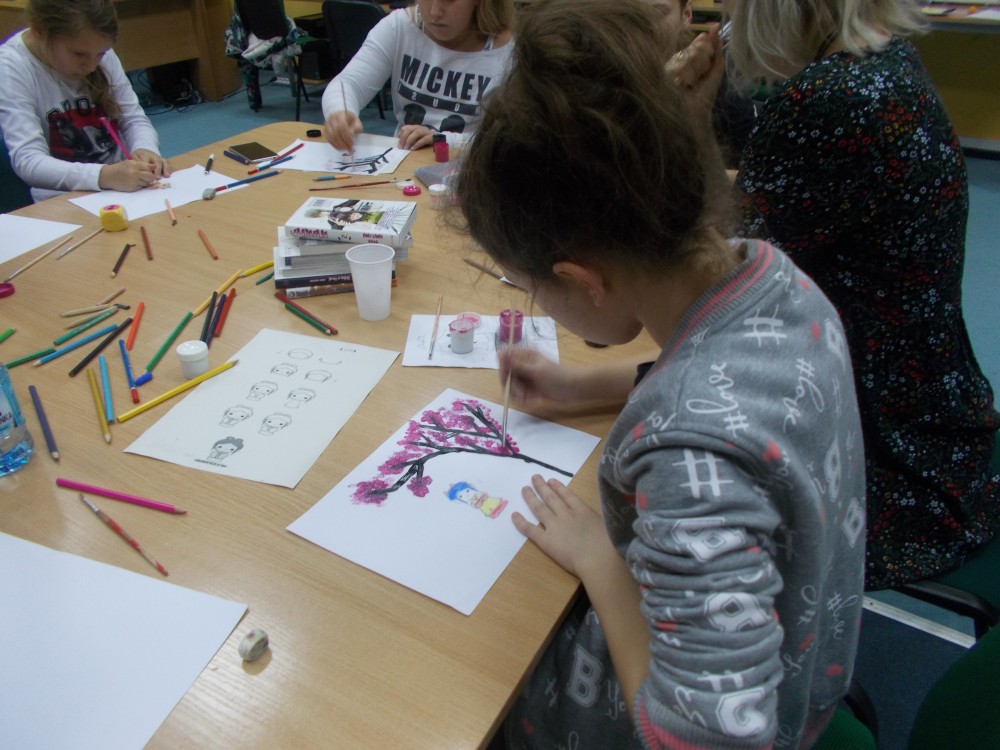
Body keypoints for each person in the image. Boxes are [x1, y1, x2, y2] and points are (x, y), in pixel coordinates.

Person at [452, 0, 866, 747]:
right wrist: (583, 386)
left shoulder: (687, 459)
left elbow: (707, 738)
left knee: (462, 667)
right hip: (800, 667)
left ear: (583, 281)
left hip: (641, 710)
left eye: (530, 286)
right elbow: (725, 383)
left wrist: (602, 562)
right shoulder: (781, 281)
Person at [678, 0, 1000, 590]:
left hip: (878, 452)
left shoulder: (829, 99)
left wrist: (679, 125)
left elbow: (718, 278)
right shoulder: (882, 64)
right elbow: (758, 213)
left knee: (658, 471)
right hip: (933, 418)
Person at [0, 0, 170, 203]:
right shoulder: (12, 67)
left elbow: (133, 119)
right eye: (78, 54)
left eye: (101, 53)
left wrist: (145, 148)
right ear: (39, 32)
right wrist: (104, 176)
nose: (91, 66)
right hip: (63, 200)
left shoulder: (93, 47)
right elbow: (28, 162)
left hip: (124, 189)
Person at [322, 0, 513, 153]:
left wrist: (442, 139)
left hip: (473, 169)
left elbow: (513, 141)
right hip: (405, 162)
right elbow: (348, 82)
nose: (435, 11)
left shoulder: (511, 51)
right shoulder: (399, 26)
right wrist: (339, 111)